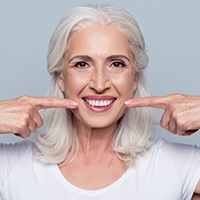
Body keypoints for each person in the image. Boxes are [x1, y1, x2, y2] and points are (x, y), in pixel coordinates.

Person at [0, 4, 200, 200]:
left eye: (117, 64)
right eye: (82, 64)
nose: (99, 83)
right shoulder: (10, 167)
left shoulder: (178, 166)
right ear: (61, 77)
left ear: (135, 78)